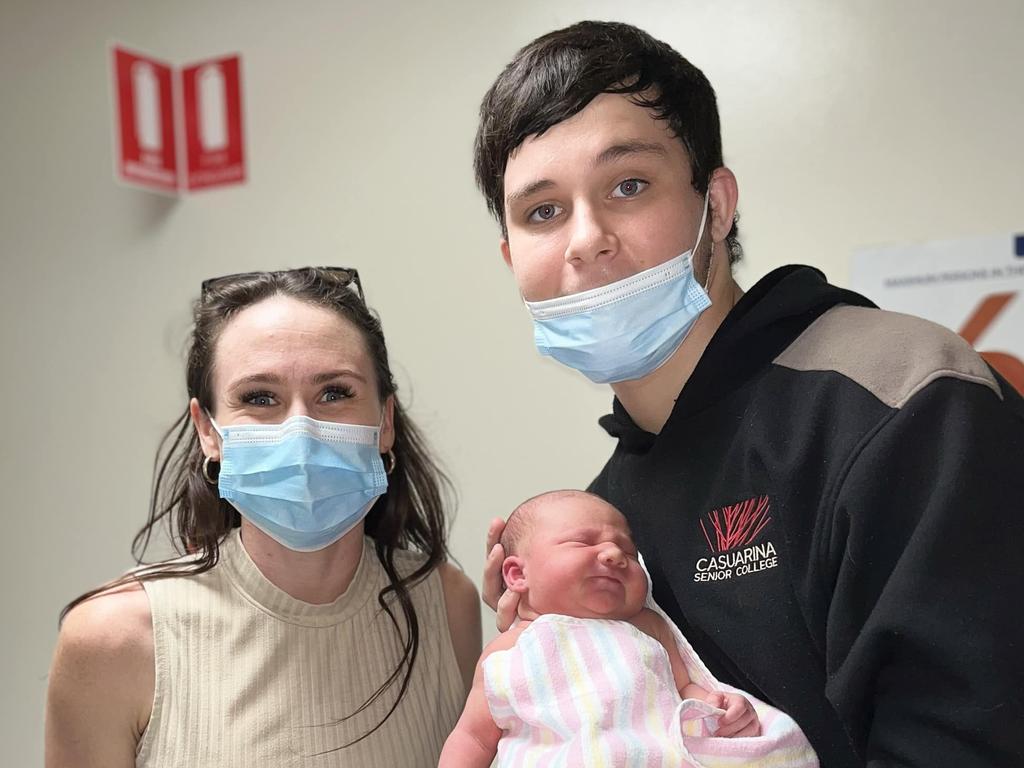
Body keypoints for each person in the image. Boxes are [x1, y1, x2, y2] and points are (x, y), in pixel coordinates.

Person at [473, 21, 1024, 767]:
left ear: (718, 205)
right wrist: (567, 654)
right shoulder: (610, 511)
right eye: (543, 211)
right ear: (512, 259)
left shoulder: (900, 397)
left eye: (628, 185)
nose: (585, 238)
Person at [44, 267, 481, 768]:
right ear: (208, 431)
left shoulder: (446, 603)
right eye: (259, 398)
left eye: (335, 392)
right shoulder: (113, 640)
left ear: (384, 422)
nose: (301, 430)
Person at [440, 490, 816, 768]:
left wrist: (721, 708)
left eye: (628, 552)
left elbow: (685, 689)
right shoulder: (508, 651)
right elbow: (473, 736)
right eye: (583, 542)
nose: (614, 554)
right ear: (517, 574)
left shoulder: (647, 628)